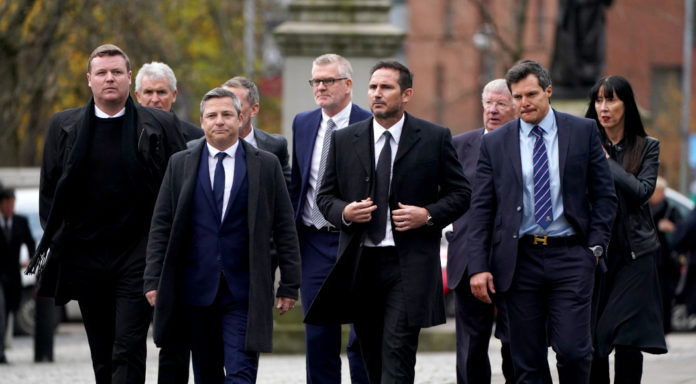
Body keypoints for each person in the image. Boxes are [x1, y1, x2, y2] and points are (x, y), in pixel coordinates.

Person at [27, 44, 186, 383]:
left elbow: (178, 187)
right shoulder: (64, 126)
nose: (109, 78)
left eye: (116, 72)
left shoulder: (159, 124)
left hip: (138, 255)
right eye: (101, 73)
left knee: (127, 347)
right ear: (89, 80)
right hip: (86, 255)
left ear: (130, 78)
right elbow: (51, 192)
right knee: (102, 350)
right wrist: (59, 241)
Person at [307, 60, 471, 383]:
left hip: (406, 266)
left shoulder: (434, 138)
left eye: (386, 87)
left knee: (397, 355)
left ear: (406, 94)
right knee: (370, 357)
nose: (377, 94)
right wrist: (345, 213)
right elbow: (324, 197)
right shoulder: (344, 140)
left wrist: (428, 215)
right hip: (361, 264)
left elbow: (461, 193)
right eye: (372, 87)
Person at [467, 59, 617, 384]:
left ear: (548, 91)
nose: (524, 103)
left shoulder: (582, 132)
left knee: (574, 352)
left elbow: (605, 196)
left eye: (531, 94)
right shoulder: (495, 143)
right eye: (517, 96)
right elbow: (481, 209)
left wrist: (595, 247)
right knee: (528, 361)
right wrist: (479, 265)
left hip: (572, 256)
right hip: (519, 260)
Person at [144, 88, 301, 383]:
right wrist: (153, 279)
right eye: (212, 116)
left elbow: (284, 227)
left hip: (244, 290)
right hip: (196, 290)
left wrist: (290, 285)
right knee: (207, 375)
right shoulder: (180, 163)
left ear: (241, 119)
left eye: (227, 114)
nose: (219, 121)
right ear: (202, 122)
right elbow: (162, 226)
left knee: (241, 374)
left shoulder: (264, 164)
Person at [288, 53, 371, 384]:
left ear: (348, 85)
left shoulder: (369, 124)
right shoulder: (303, 123)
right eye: (315, 81)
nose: (319, 87)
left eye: (327, 81)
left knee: (361, 336)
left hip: (358, 242)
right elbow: (298, 182)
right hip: (314, 242)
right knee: (318, 336)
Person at [585, 75, 668, 383]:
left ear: (627, 104)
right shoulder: (582, 143)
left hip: (636, 255)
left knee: (627, 340)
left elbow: (642, 191)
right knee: (594, 341)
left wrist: (605, 162)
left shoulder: (647, 147)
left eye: (612, 99)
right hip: (597, 253)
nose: (604, 107)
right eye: (599, 100)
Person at [446, 78, 516, 384]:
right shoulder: (460, 145)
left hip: (516, 260)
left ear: (516, 108)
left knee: (516, 345)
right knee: (471, 348)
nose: (493, 109)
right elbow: (445, 197)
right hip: (466, 260)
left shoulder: (525, 146)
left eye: (501, 103)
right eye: (488, 102)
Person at [222, 76, 291, 186]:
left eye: (236, 105)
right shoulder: (196, 148)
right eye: (224, 105)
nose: (228, 111)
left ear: (254, 109)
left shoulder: (275, 146)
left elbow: (288, 194)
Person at [0, 187, 35, 364]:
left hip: (13, 277)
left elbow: (31, 242)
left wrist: (31, 260)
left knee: (6, 315)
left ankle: (1, 352)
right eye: (7, 203)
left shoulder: (20, 222)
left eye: (12, 203)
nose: (10, 207)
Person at [134, 61, 203, 142]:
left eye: (161, 92)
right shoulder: (123, 134)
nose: (155, 99)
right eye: (148, 92)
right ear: (138, 96)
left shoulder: (197, 137)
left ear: (174, 95)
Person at [650, 176, 683, 334]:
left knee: (664, 297)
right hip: (648, 257)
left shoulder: (671, 210)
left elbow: (683, 232)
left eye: (660, 191)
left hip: (665, 261)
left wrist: (671, 228)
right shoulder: (643, 208)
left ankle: (664, 330)